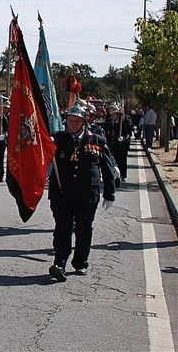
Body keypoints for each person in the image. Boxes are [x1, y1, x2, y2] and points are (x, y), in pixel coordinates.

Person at [48, 105, 115, 282]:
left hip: (87, 193)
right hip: (62, 193)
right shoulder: (56, 139)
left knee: (84, 229)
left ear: (84, 122)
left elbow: (106, 169)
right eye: (70, 120)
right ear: (66, 121)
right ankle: (60, 264)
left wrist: (110, 193)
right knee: (62, 228)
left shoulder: (97, 140)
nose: (73, 123)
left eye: (77, 120)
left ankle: (81, 263)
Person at [105, 104, 133, 185]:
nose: (113, 116)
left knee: (121, 161)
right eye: (112, 115)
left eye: (114, 115)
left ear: (117, 115)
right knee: (113, 162)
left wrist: (123, 138)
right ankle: (114, 176)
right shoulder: (109, 123)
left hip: (121, 146)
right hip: (112, 146)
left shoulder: (123, 124)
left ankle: (121, 175)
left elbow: (128, 134)